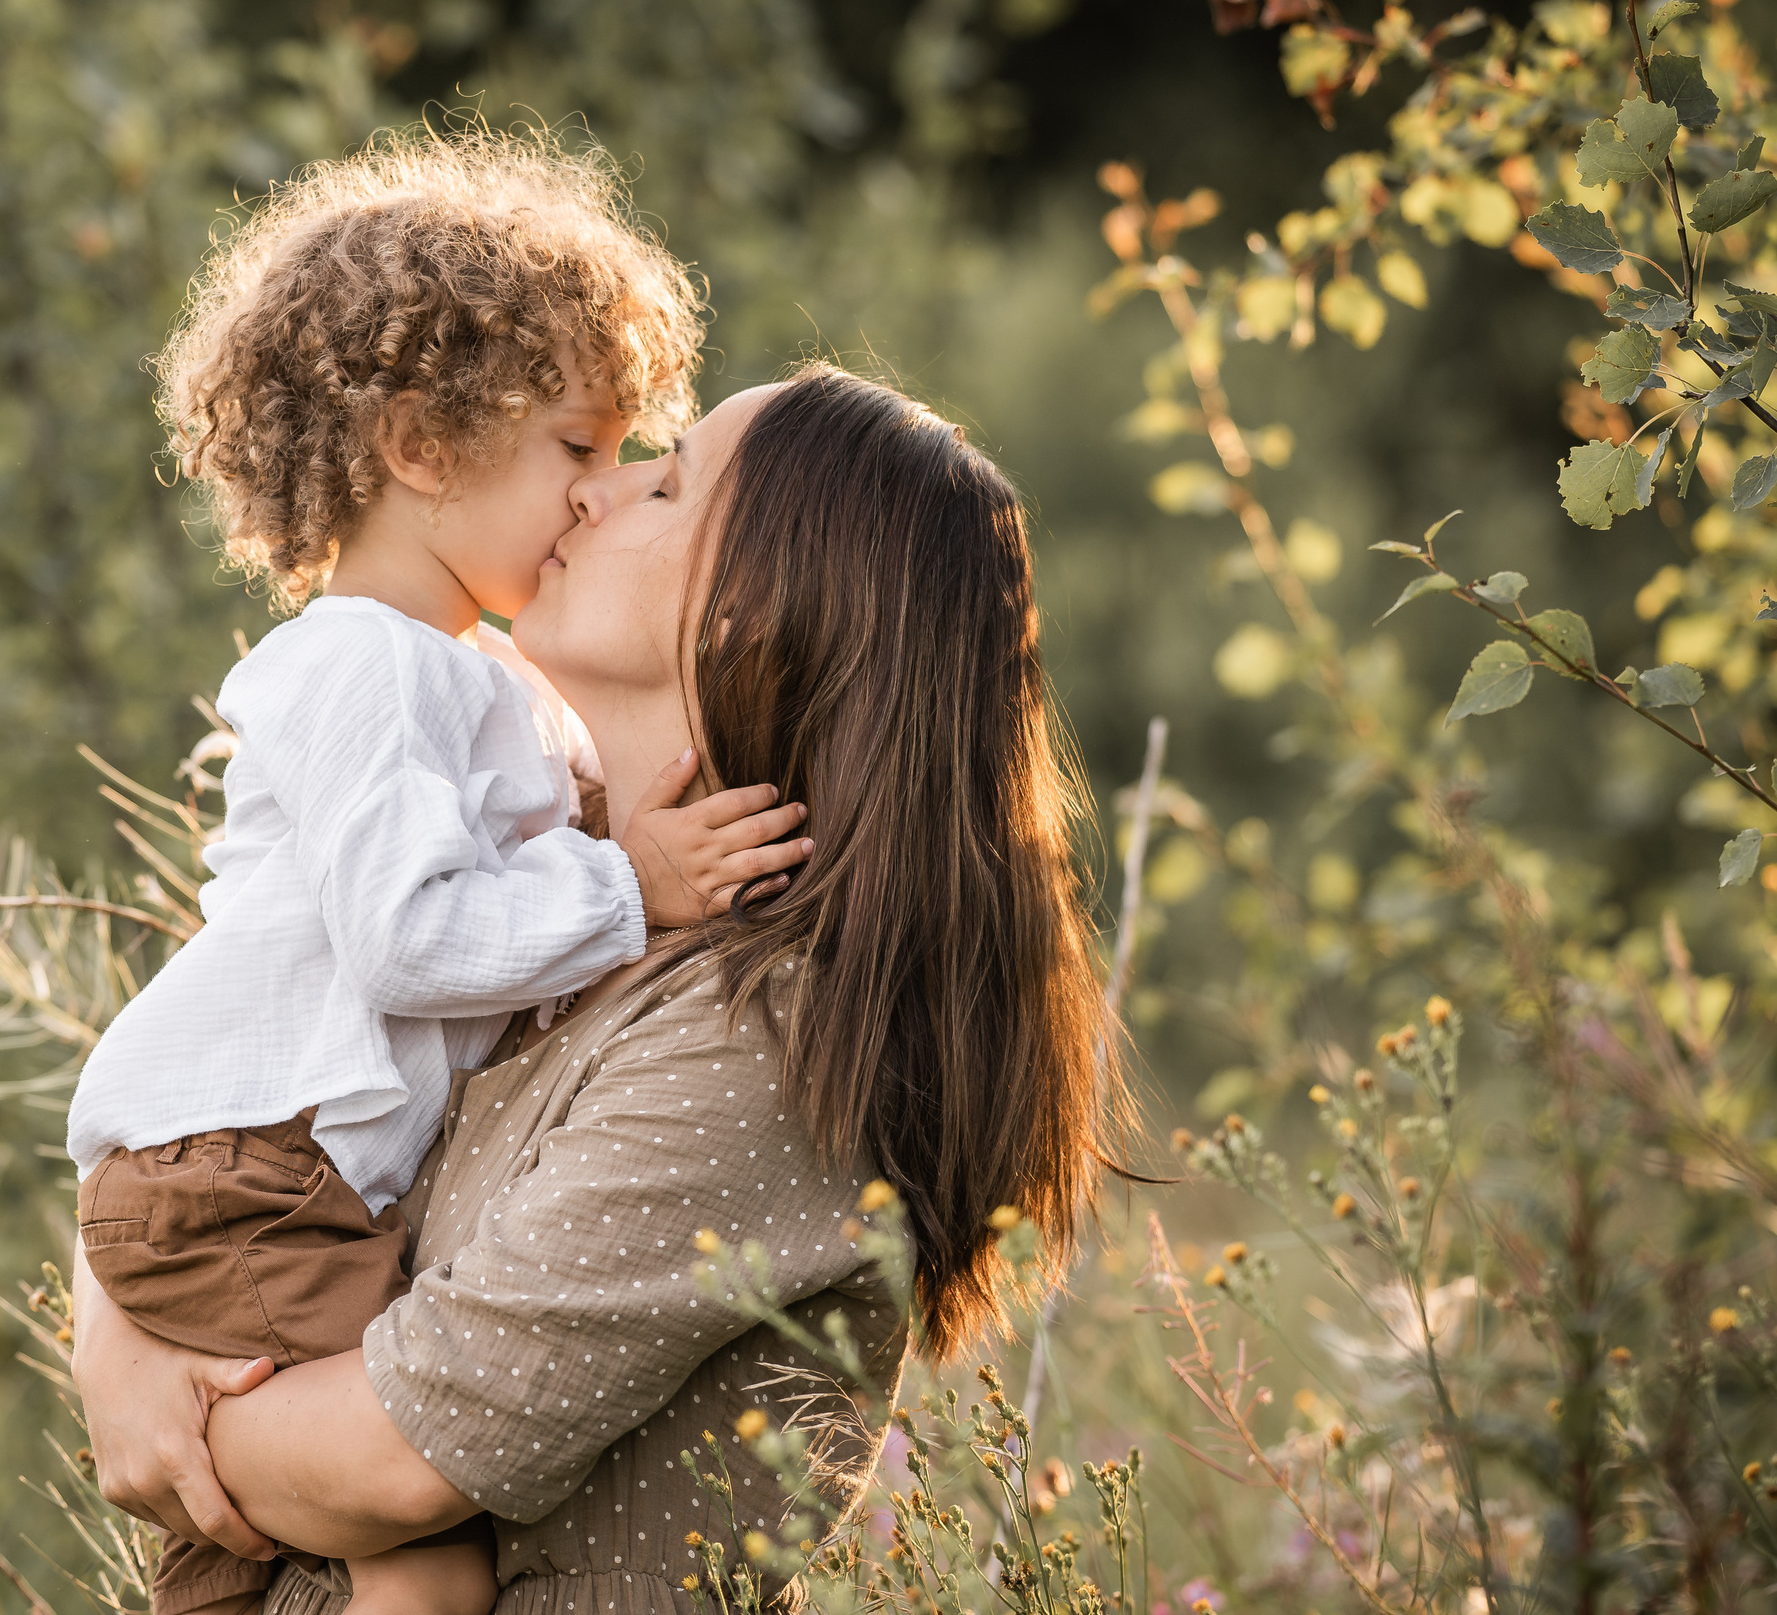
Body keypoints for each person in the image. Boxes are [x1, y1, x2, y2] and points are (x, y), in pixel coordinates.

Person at [73, 365, 1124, 1615]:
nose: (595, 491)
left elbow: (398, 1459)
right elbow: (210, 1090)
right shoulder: (516, 889)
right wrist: (111, 1336)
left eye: (664, 483)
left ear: (748, 613)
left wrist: (151, 1405)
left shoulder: (756, 1038)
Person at [63, 130, 816, 1615]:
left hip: (267, 1167)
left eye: (633, 465)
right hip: (257, 1171)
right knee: (423, 1567)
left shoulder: (461, 676)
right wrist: (631, 884)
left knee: (231, 1559)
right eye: (580, 450)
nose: (600, 492)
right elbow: (409, 940)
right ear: (419, 448)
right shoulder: (370, 665)